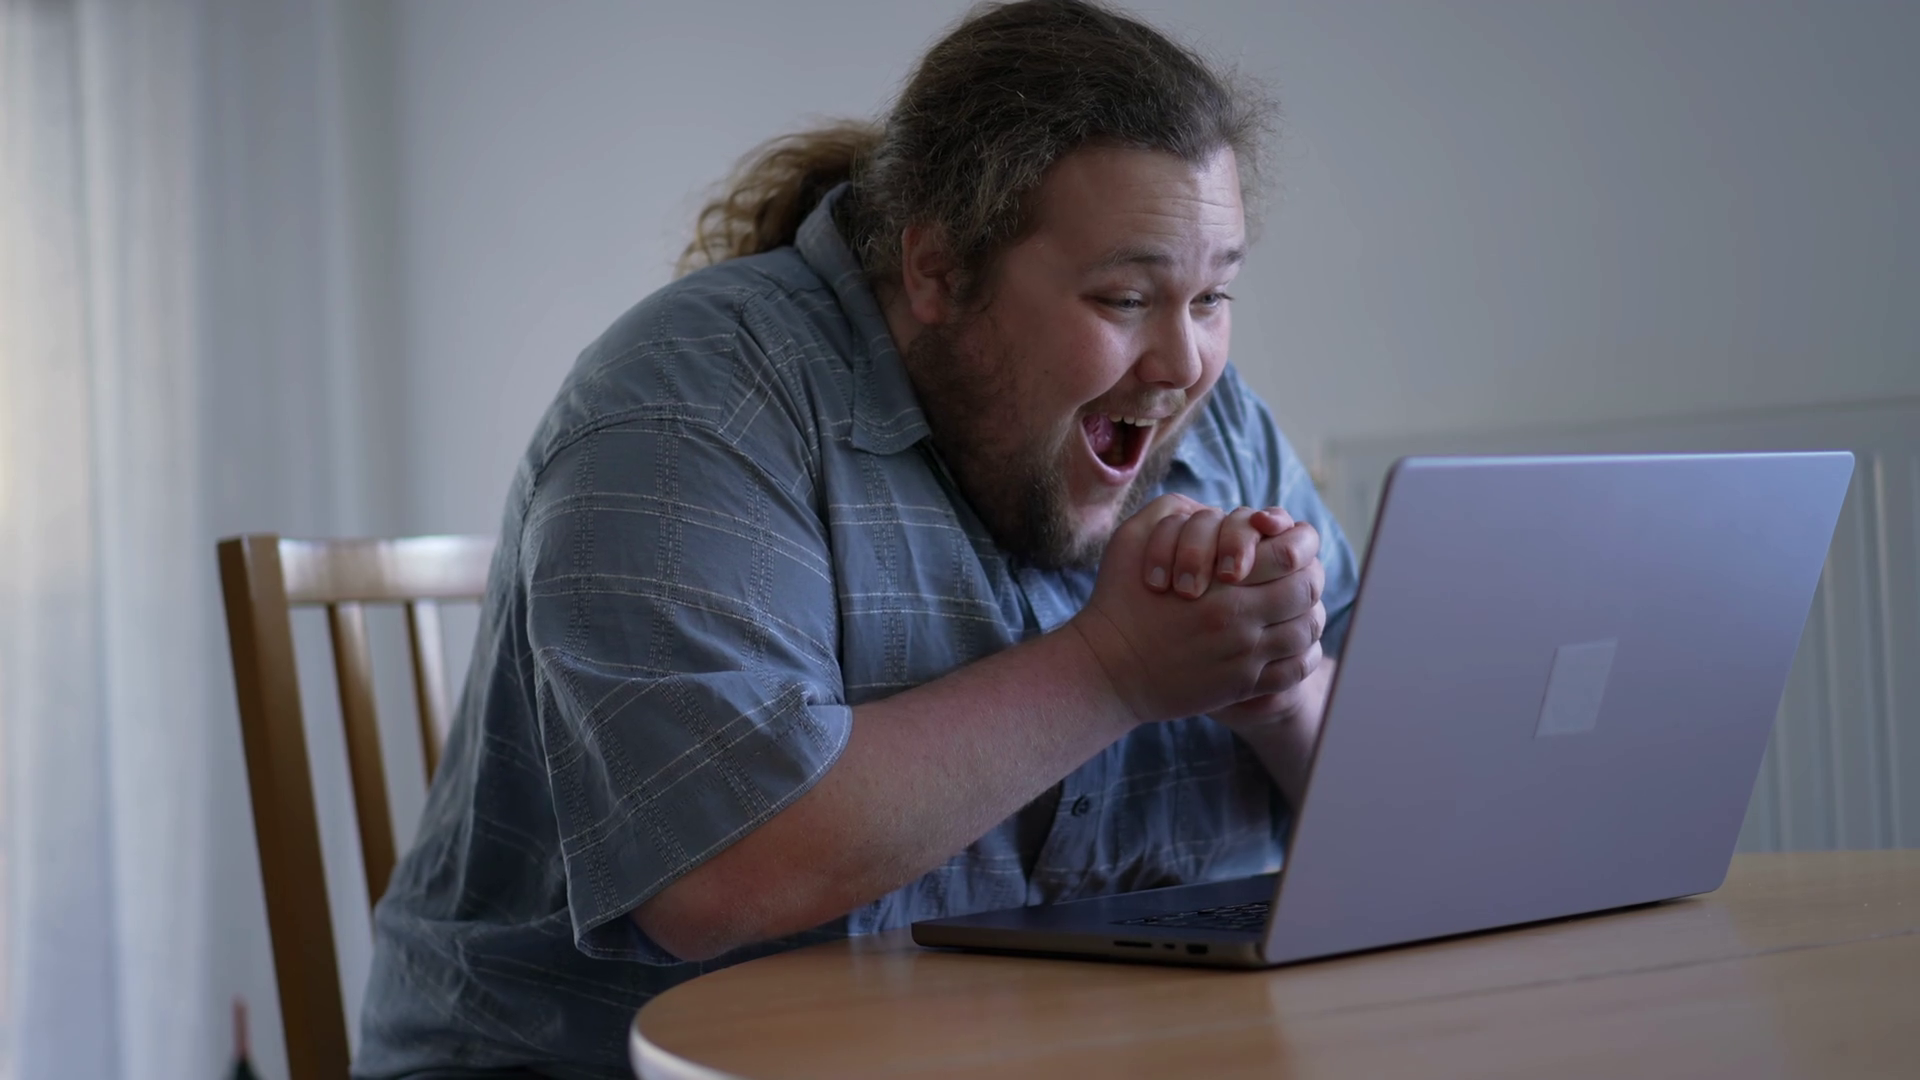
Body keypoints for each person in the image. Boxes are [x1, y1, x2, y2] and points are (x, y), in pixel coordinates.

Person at [355, 1, 1359, 1076]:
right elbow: (719, 872)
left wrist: (1283, 686)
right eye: (1124, 296)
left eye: (1212, 297)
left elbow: (1416, 814)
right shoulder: (690, 403)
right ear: (937, 271)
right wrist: (1116, 670)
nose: (1183, 364)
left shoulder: (1216, 424)